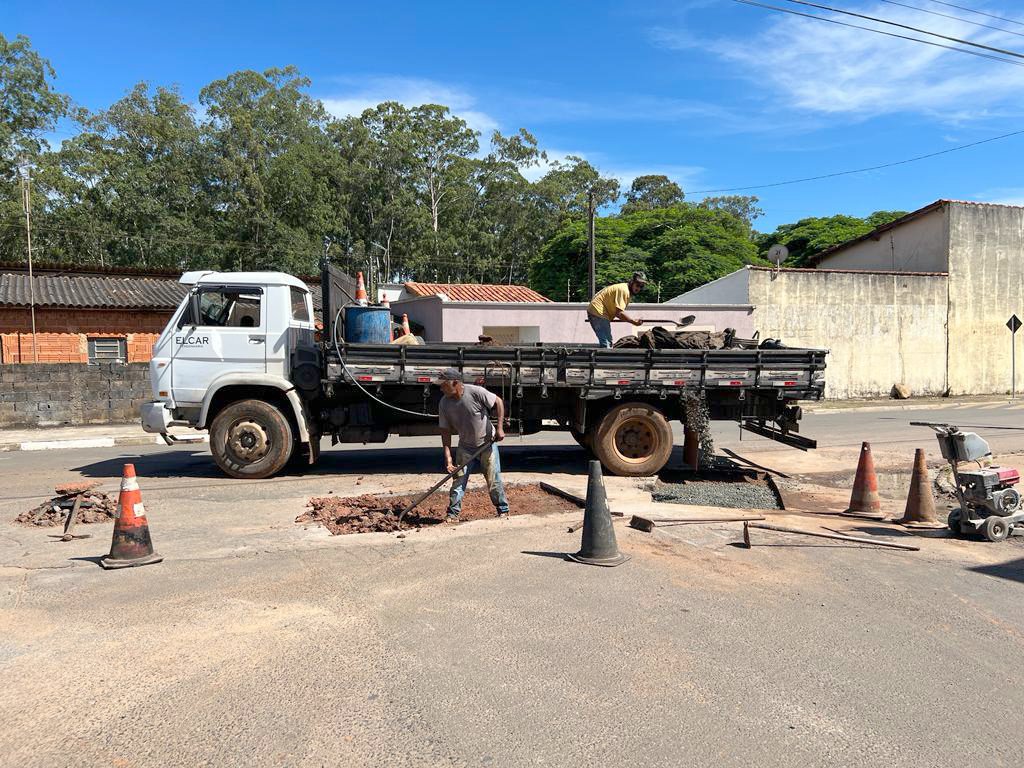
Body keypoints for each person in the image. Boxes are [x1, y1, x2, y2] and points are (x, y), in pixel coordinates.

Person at [437, 368, 508, 522]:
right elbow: (445, 431)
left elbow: (498, 402)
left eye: (443, 385)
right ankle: (453, 514)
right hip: (465, 447)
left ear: (455, 383)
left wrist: (500, 428)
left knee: (493, 480)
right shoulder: (444, 403)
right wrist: (448, 458)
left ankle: (503, 510)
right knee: (458, 481)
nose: (441, 388)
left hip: (487, 443)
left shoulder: (475, 392)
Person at [586, 271, 648, 347]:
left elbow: (617, 312)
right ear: (632, 282)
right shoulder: (624, 291)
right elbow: (619, 313)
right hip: (598, 312)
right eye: (637, 285)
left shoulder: (625, 290)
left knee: (608, 343)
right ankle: (604, 354)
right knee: (606, 344)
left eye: (641, 286)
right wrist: (633, 321)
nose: (638, 288)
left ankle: (604, 354)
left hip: (598, 311)